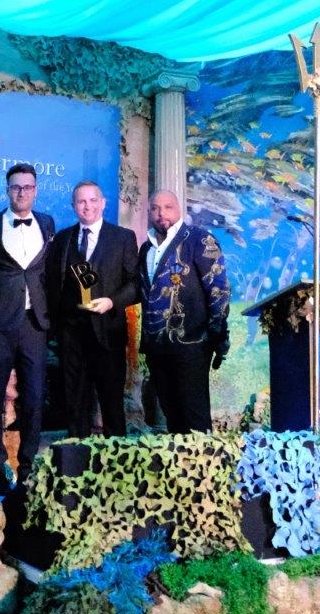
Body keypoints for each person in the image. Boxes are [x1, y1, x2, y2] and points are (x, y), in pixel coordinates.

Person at [0, 164, 55, 493]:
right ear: (7, 190)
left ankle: (28, 467)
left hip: (34, 324)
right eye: (16, 187)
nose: (22, 192)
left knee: (34, 397)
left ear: (35, 190)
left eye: (27, 187)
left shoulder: (47, 223)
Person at [48, 181, 139, 438]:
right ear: (73, 206)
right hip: (71, 335)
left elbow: (136, 283)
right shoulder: (62, 239)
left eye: (92, 200)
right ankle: (77, 456)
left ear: (103, 203)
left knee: (112, 403)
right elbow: (53, 285)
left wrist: (111, 301)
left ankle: (116, 456)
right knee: (75, 403)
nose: (87, 206)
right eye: (81, 201)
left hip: (108, 333)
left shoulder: (123, 238)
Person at [138, 190, 231, 433]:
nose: (161, 213)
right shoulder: (146, 248)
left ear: (179, 209)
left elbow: (218, 290)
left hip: (192, 344)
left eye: (168, 207)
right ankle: (180, 458)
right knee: (172, 416)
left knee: (194, 417)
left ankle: (203, 459)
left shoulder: (200, 240)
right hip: (157, 348)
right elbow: (142, 291)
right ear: (149, 212)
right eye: (155, 208)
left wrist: (217, 335)